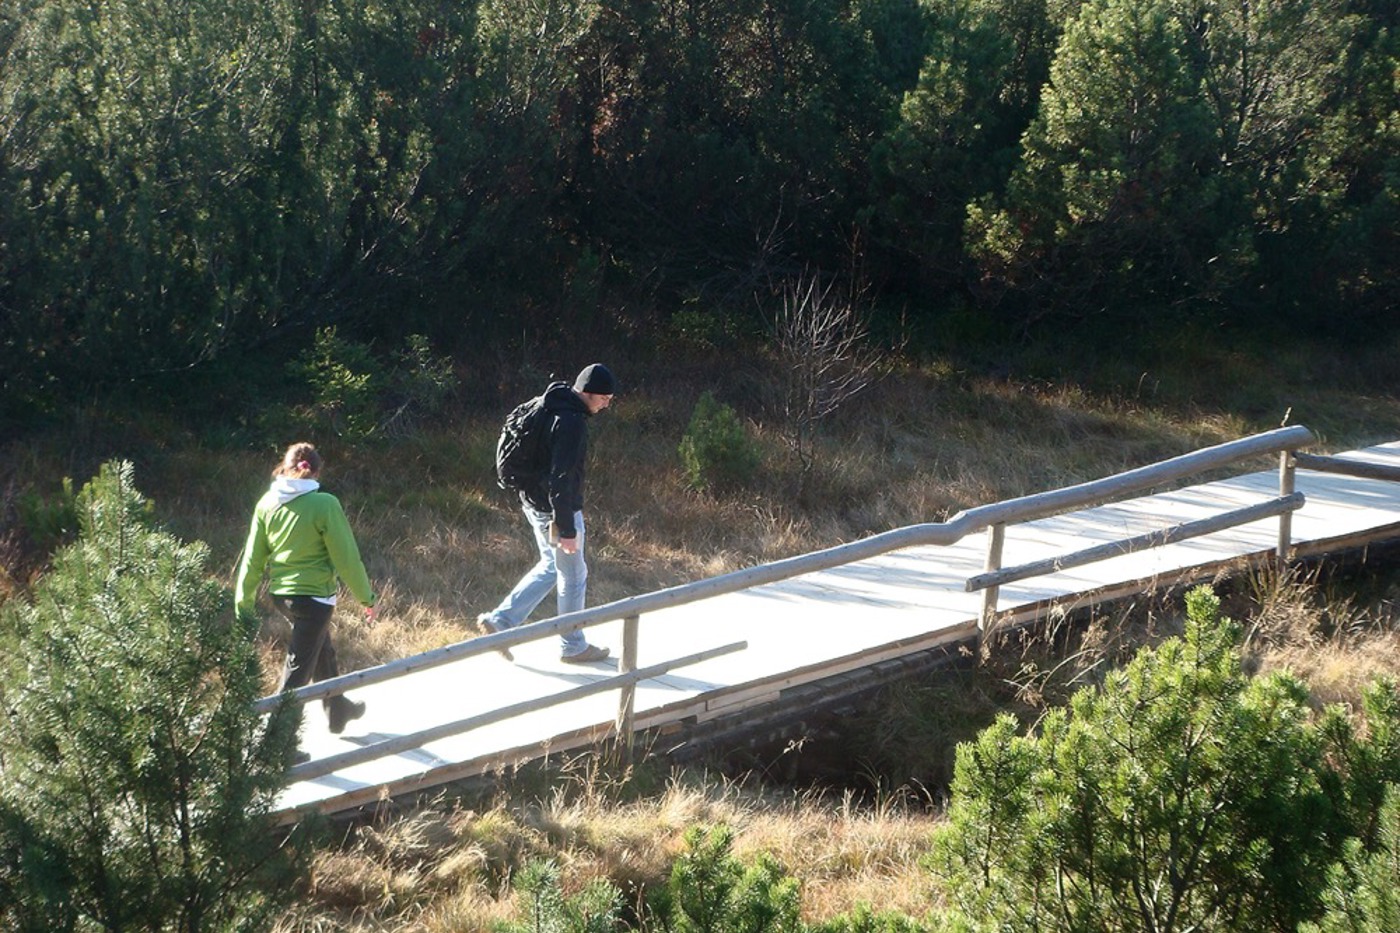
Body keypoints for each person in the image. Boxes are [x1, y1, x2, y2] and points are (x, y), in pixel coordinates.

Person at [235, 442, 376, 752]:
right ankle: (275, 744)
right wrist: (367, 597)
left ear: (284, 466)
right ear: (316, 470)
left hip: (283, 596)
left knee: (321, 650)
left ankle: (337, 709)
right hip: (314, 599)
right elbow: (346, 557)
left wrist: (242, 603)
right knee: (298, 670)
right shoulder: (324, 504)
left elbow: (252, 559)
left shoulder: (267, 503)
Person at [478, 363, 617, 664]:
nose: (607, 404)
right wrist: (566, 528)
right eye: (605, 398)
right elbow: (562, 478)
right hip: (554, 509)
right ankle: (573, 645)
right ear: (588, 393)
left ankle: (499, 622)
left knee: (551, 567)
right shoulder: (572, 422)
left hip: (532, 502)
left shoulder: (545, 403)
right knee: (574, 574)